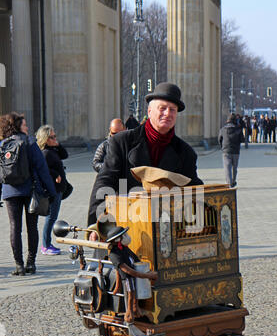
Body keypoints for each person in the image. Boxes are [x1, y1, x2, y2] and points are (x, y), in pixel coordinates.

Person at [87, 82, 204, 227]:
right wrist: (96, 225)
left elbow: (192, 189)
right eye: (162, 108)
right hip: (125, 226)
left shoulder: (186, 152)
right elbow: (104, 183)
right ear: (149, 111)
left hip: (165, 230)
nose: (167, 114)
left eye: (172, 110)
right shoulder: (122, 142)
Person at [0, 112, 56, 275]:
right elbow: (42, 169)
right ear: (18, 126)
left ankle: (18, 265)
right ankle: (31, 263)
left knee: (14, 228)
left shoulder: (3, 144)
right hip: (30, 190)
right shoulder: (30, 142)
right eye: (25, 124)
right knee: (32, 227)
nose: (27, 127)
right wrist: (51, 191)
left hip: (10, 191)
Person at [36, 125, 68, 255]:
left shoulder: (52, 150)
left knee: (52, 217)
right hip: (52, 190)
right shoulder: (45, 153)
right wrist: (55, 174)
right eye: (52, 137)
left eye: (55, 136)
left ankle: (47, 244)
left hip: (58, 189)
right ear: (45, 139)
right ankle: (46, 245)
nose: (55, 138)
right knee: (51, 217)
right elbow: (41, 168)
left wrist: (57, 144)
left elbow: (65, 155)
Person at [218, 113, 244, 188]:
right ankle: (233, 181)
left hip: (226, 151)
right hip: (236, 151)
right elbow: (242, 139)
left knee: (227, 167)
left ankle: (228, 183)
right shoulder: (238, 129)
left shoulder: (223, 129)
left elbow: (219, 139)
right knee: (234, 168)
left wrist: (222, 147)